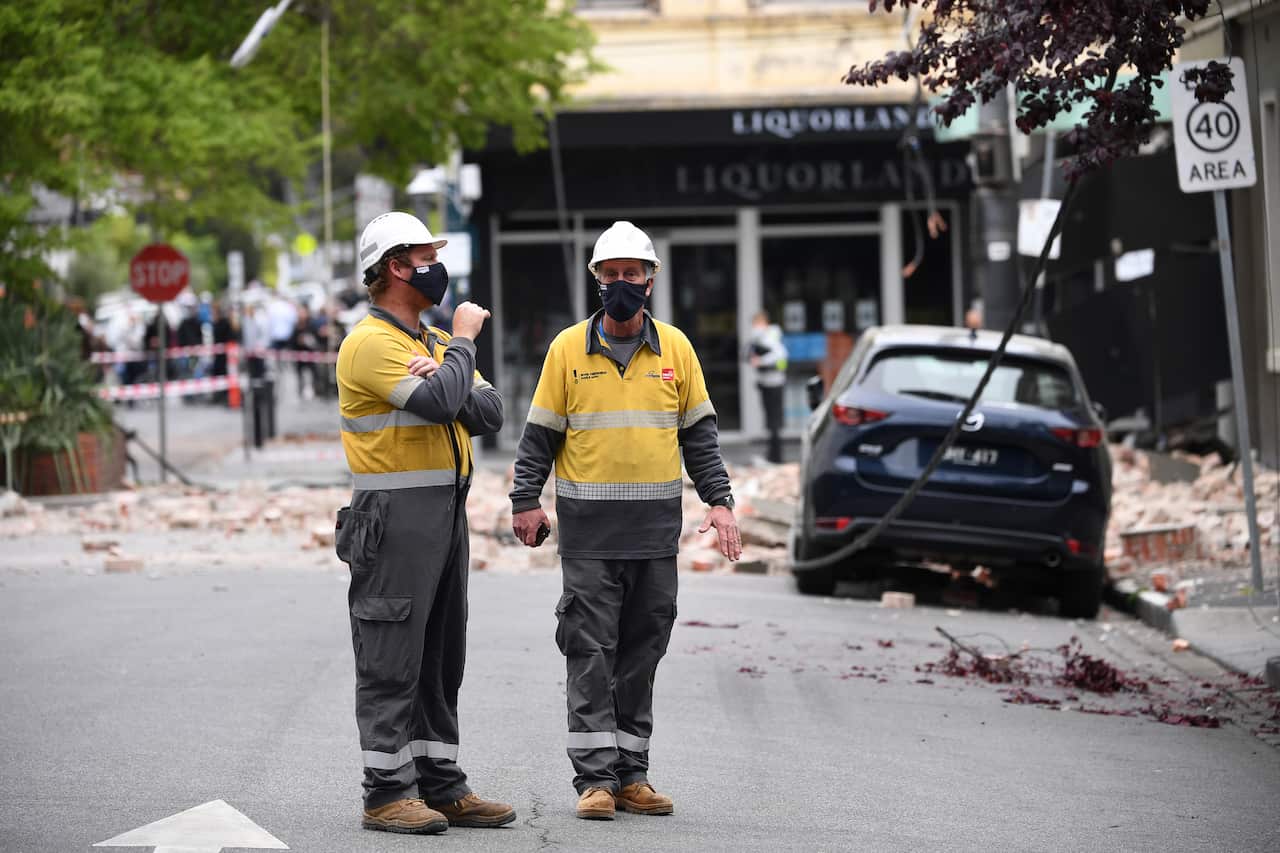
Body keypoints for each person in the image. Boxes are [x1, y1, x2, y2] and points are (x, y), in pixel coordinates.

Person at [509, 220, 741, 821]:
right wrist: (524, 499)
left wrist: (720, 502)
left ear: (650, 280)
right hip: (588, 539)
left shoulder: (678, 350)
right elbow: (539, 436)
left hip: (653, 538)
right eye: (610, 275)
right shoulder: (566, 350)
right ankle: (594, 782)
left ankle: (633, 774)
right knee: (589, 652)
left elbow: (701, 439)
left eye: (630, 275)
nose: (620, 284)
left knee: (642, 653)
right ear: (596, 281)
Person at [335, 211, 512, 835]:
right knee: (391, 654)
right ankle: (386, 792)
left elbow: (489, 411)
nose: (435, 266)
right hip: (392, 520)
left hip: (444, 514)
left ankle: (440, 784)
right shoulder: (372, 344)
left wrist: (447, 368)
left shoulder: (429, 346)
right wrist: (462, 343)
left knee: (440, 655)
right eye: (422, 256)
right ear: (392, 268)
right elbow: (443, 402)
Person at [746, 310, 789, 464]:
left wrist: (760, 361)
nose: (754, 327)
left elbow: (781, 355)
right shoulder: (762, 337)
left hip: (774, 383)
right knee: (771, 421)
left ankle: (775, 456)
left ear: (763, 322)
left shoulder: (770, 337)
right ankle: (773, 454)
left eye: (756, 323)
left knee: (773, 421)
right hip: (767, 383)